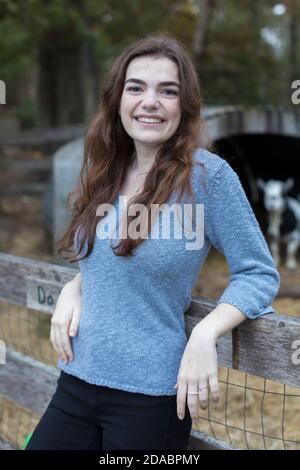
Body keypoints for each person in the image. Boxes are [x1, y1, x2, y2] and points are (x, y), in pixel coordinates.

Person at [26, 33, 280, 450]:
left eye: (168, 91)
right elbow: (111, 257)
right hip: (75, 378)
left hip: (148, 398)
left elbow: (258, 273)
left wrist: (204, 334)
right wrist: (78, 284)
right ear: (118, 100)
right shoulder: (107, 167)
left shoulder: (207, 178)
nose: (150, 101)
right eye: (136, 87)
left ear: (184, 106)